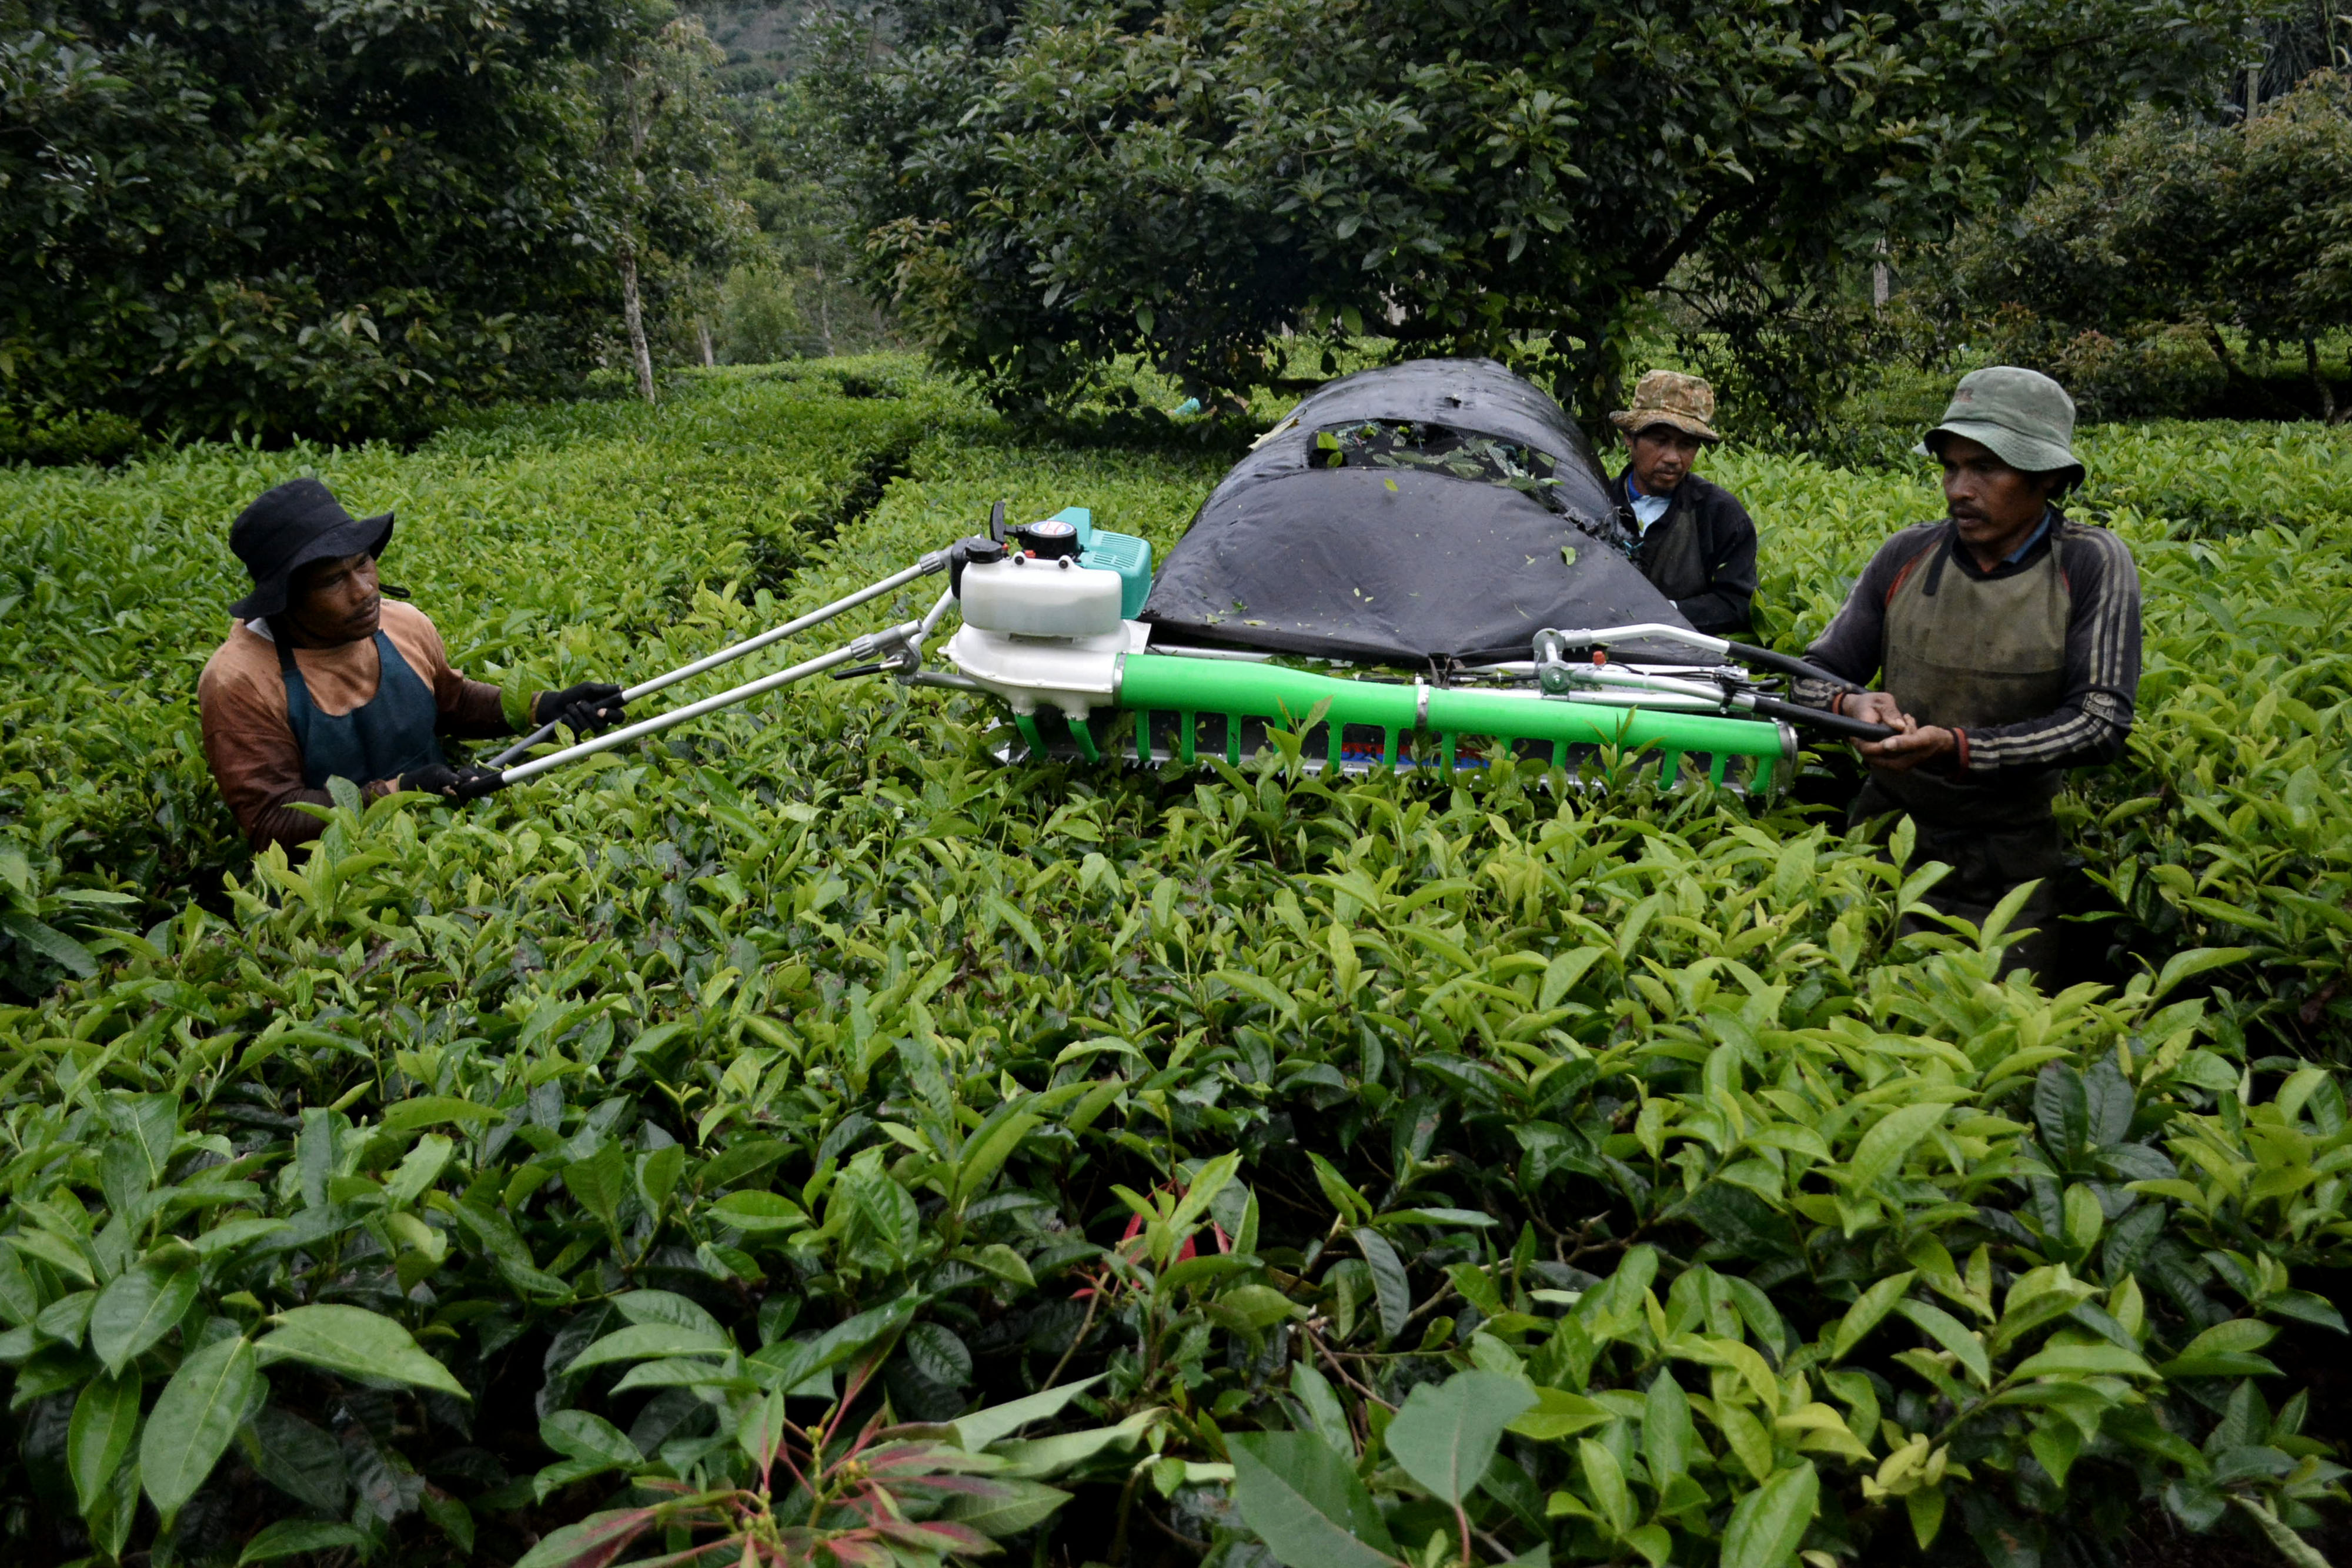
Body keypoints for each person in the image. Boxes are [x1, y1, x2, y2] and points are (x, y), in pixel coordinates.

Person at [1796, 366, 2141, 977]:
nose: (1959, 489)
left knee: (1998, 1042)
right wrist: (1849, 706)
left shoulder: (2089, 563)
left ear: (2048, 478)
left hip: (2007, 863)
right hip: (1886, 842)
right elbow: (1815, 673)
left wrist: (1957, 748)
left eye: (1985, 468)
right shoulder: (1907, 554)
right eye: (1951, 468)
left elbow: (2099, 722)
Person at [198, 478, 627, 854]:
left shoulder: (402, 622)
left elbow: (453, 702)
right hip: (336, 878)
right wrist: (399, 792)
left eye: (363, 563)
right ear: (284, 599)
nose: (364, 590)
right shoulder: (241, 679)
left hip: (448, 833)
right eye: (333, 580)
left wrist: (542, 707)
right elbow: (272, 823)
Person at [1607, 370, 1760, 637]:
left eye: (1687, 445)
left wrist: (1666, 613)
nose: (1673, 458)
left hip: (1683, 666)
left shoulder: (1721, 514)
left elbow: (1738, 603)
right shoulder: (1595, 499)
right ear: (1630, 438)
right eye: (1660, 441)